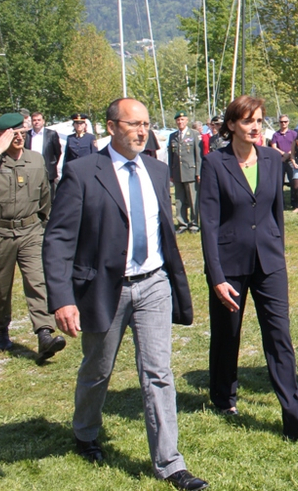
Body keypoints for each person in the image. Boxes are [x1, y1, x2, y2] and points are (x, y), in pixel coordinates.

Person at [42, 98, 207, 490]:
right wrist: (63, 299)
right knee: (98, 369)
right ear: (112, 126)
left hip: (153, 284)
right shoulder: (82, 172)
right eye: (133, 124)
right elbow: (59, 240)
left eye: (147, 124)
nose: (142, 131)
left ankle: (170, 463)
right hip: (104, 288)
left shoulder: (156, 169)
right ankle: (85, 432)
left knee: (158, 373)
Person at [199, 95, 298, 442]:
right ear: (231, 125)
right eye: (247, 121)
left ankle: (296, 420)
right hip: (230, 264)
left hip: (269, 263)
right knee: (228, 334)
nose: (255, 127)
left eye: (258, 121)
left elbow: (276, 214)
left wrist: (278, 253)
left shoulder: (272, 159)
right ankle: (223, 397)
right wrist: (217, 277)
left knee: (279, 337)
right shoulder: (214, 163)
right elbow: (208, 224)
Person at [0, 113, 61, 360]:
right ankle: (1, 329)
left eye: (22, 133)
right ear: (3, 135)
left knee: (38, 281)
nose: (19, 138)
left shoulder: (36, 160)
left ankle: (45, 333)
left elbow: (45, 196)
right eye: (13, 134)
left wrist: (44, 225)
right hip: (1, 234)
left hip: (31, 231)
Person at [168, 111, 201, 234]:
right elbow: (170, 155)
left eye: (182, 120)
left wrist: (198, 172)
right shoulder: (173, 136)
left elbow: (198, 155)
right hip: (177, 172)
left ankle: (194, 223)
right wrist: (170, 172)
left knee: (193, 200)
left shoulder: (194, 134)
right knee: (179, 200)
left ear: (186, 121)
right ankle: (182, 223)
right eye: (178, 120)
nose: (180, 122)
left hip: (190, 172)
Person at [26, 111, 62, 201]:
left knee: (48, 198)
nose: (36, 122)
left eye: (39, 120)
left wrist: (52, 164)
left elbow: (57, 152)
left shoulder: (51, 134)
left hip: (47, 171)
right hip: (30, 171)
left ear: (43, 121)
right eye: (34, 120)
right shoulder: (27, 135)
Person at [269, 114, 298, 210]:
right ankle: (280, 204)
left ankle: (294, 203)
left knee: (294, 183)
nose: (283, 123)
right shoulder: (276, 135)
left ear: (288, 122)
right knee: (279, 183)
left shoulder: (293, 134)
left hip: (291, 160)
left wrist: (289, 154)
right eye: (281, 122)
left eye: (285, 121)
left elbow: (296, 145)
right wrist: (283, 154)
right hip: (280, 161)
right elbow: (273, 146)